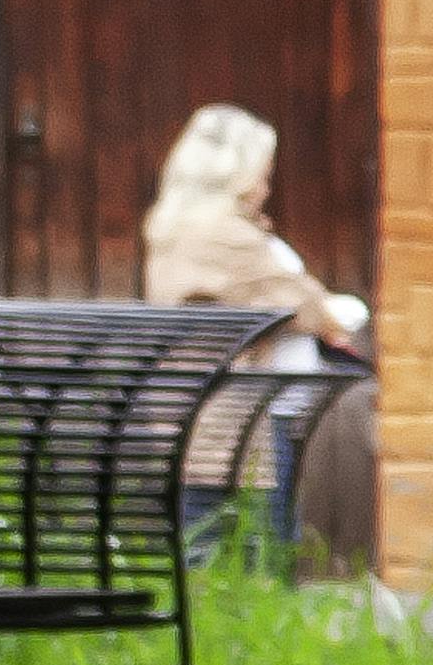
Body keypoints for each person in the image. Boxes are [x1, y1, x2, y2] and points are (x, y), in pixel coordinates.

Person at [144, 103, 374, 552]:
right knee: (251, 550)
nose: (266, 187)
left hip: (223, 413)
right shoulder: (218, 235)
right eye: (262, 174)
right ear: (236, 173)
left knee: (220, 546)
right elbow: (300, 305)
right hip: (235, 422)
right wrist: (325, 314)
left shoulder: (185, 226)